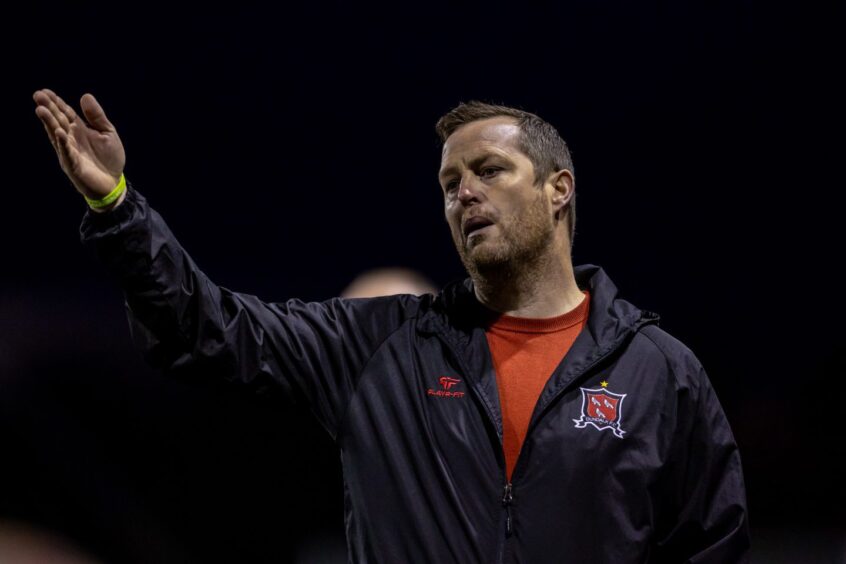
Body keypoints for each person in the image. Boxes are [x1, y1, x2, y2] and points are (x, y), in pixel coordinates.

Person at [34, 89, 750, 563]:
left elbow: (712, 545)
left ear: (558, 188)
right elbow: (206, 327)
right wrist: (120, 209)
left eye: (490, 170)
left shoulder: (659, 370)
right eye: (448, 184)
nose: (464, 192)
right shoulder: (379, 348)